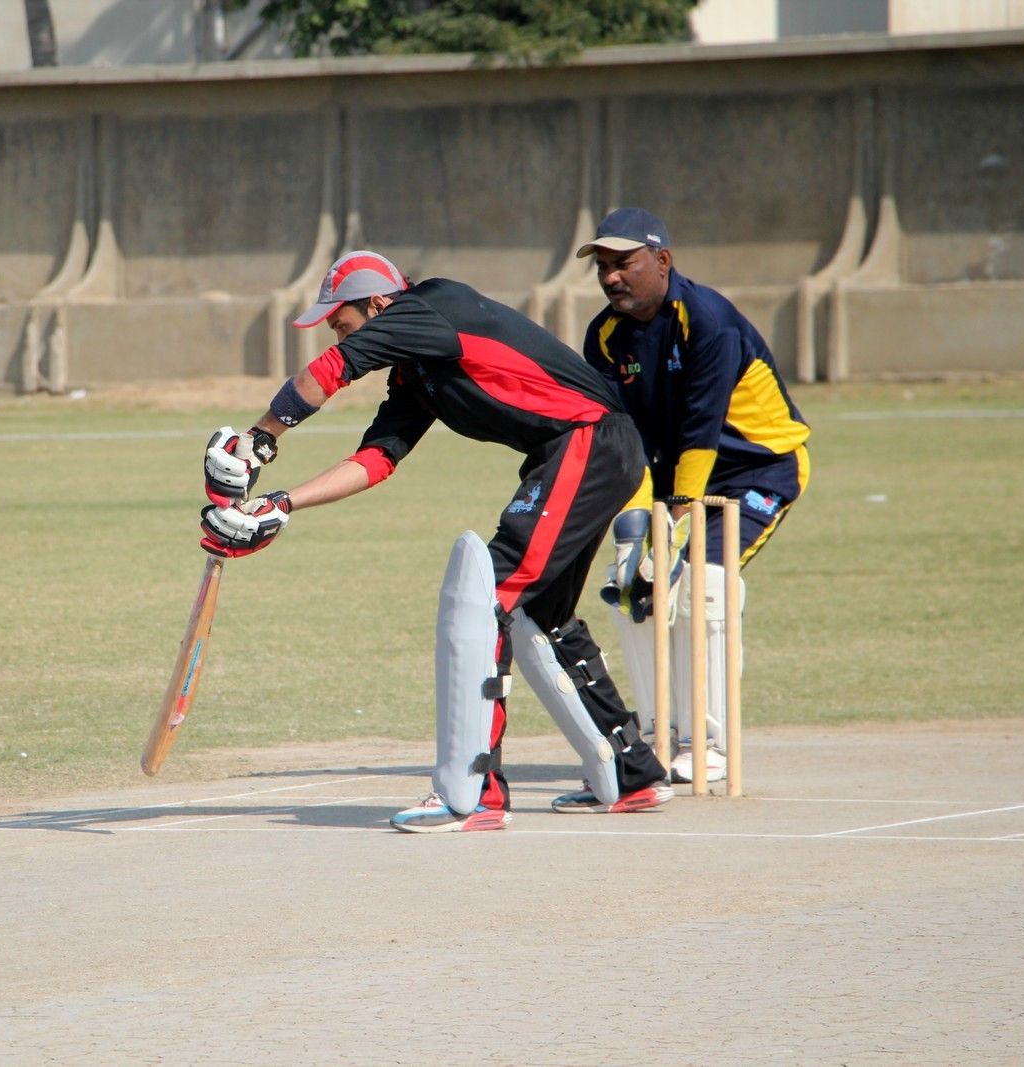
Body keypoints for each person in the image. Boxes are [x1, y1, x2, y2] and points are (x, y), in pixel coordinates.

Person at [199, 250, 674, 831]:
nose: (337, 330)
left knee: (486, 599)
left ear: (378, 304)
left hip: (588, 443)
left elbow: (332, 370)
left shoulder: (431, 306)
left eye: (341, 319)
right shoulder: (415, 372)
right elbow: (375, 460)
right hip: (578, 451)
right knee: (540, 615)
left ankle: (473, 796)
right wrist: (280, 504)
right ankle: (631, 775)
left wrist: (258, 441)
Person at [579, 207, 810, 783]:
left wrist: (677, 529)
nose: (611, 277)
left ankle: (710, 742)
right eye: (602, 266)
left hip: (755, 469)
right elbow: (622, 442)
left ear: (662, 260)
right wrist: (633, 531)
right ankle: (658, 732)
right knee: (632, 588)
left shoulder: (706, 320)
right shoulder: (605, 337)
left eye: (624, 263)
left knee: (703, 585)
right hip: (667, 477)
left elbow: (701, 431)